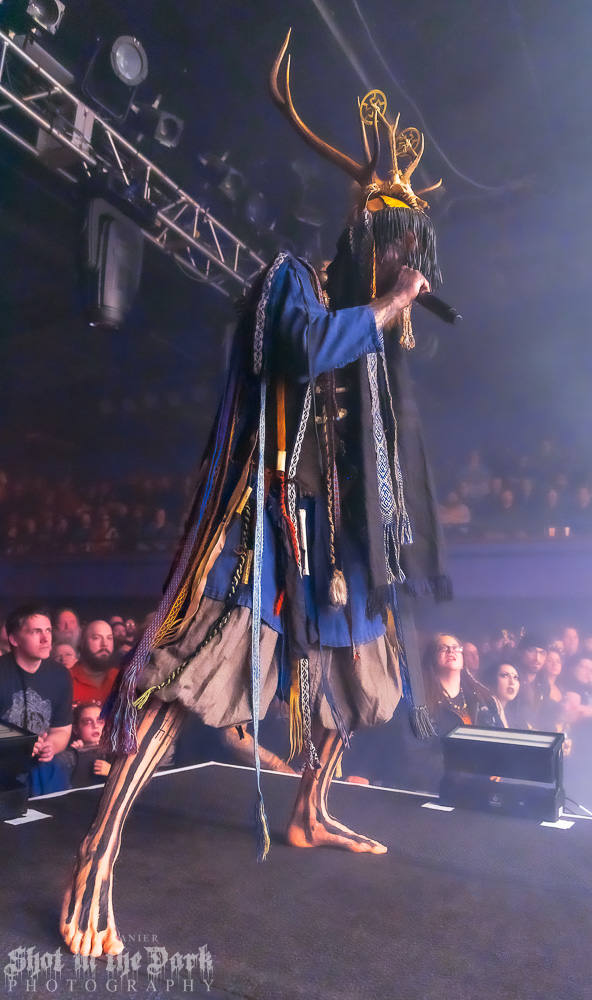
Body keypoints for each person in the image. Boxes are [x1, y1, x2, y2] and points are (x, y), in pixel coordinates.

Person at [62, 38, 453, 958]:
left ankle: (311, 810)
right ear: (360, 243)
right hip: (267, 526)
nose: (402, 262)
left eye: (410, 253)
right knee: (192, 680)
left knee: (361, 678)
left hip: (340, 542)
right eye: (391, 246)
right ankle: (95, 857)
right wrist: (391, 307)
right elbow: (302, 351)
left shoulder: (373, 339)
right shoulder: (292, 281)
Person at [0, 604, 72, 795]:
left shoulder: (60, 675)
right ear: (14, 639)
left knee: (52, 765)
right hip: (3, 760)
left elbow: (62, 730)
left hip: (39, 764)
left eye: (48, 630)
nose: (45, 638)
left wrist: (51, 745)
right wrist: (21, 745)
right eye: (35, 632)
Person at [70, 621, 119, 705]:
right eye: (96, 638)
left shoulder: (122, 678)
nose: (104, 644)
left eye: (109, 638)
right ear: (82, 642)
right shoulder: (66, 679)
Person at [480, 661, 520, 728]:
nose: (512, 682)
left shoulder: (513, 716)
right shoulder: (484, 711)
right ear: (492, 679)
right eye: (505, 676)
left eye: (515, 677)